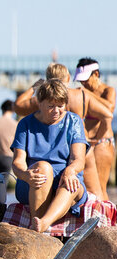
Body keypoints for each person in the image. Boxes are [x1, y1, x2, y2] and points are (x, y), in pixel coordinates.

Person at [14, 63, 112, 200]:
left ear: (46, 79)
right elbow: (108, 114)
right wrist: (97, 139)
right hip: (82, 145)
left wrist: (34, 87)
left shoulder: (44, 100)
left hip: (58, 150)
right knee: (98, 191)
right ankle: (102, 219)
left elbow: (18, 106)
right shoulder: (81, 95)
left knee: (54, 187)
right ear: (68, 77)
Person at [11, 79, 88, 233]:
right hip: (33, 182)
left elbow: (78, 159)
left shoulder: (73, 121)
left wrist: (70, 171)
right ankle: (38, 220)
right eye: (51, 106)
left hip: (65, 183)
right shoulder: (25, 124)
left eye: (60, 106)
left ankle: (43, 224)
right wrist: (26, 175)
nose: (56, 111)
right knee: (43, 168)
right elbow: (17, 162)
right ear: (39, 103)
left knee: (71, 180)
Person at [74, 57, 115, 197]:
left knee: (100, 187)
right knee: (89, 187)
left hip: (102, 142)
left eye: (85, 79)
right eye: (81, 80)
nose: (83, 83)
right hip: (87, 142)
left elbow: (109, 109)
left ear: (96, 74)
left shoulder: (108, 91)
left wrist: (87, 95)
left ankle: (107, 218)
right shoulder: (84, 92)